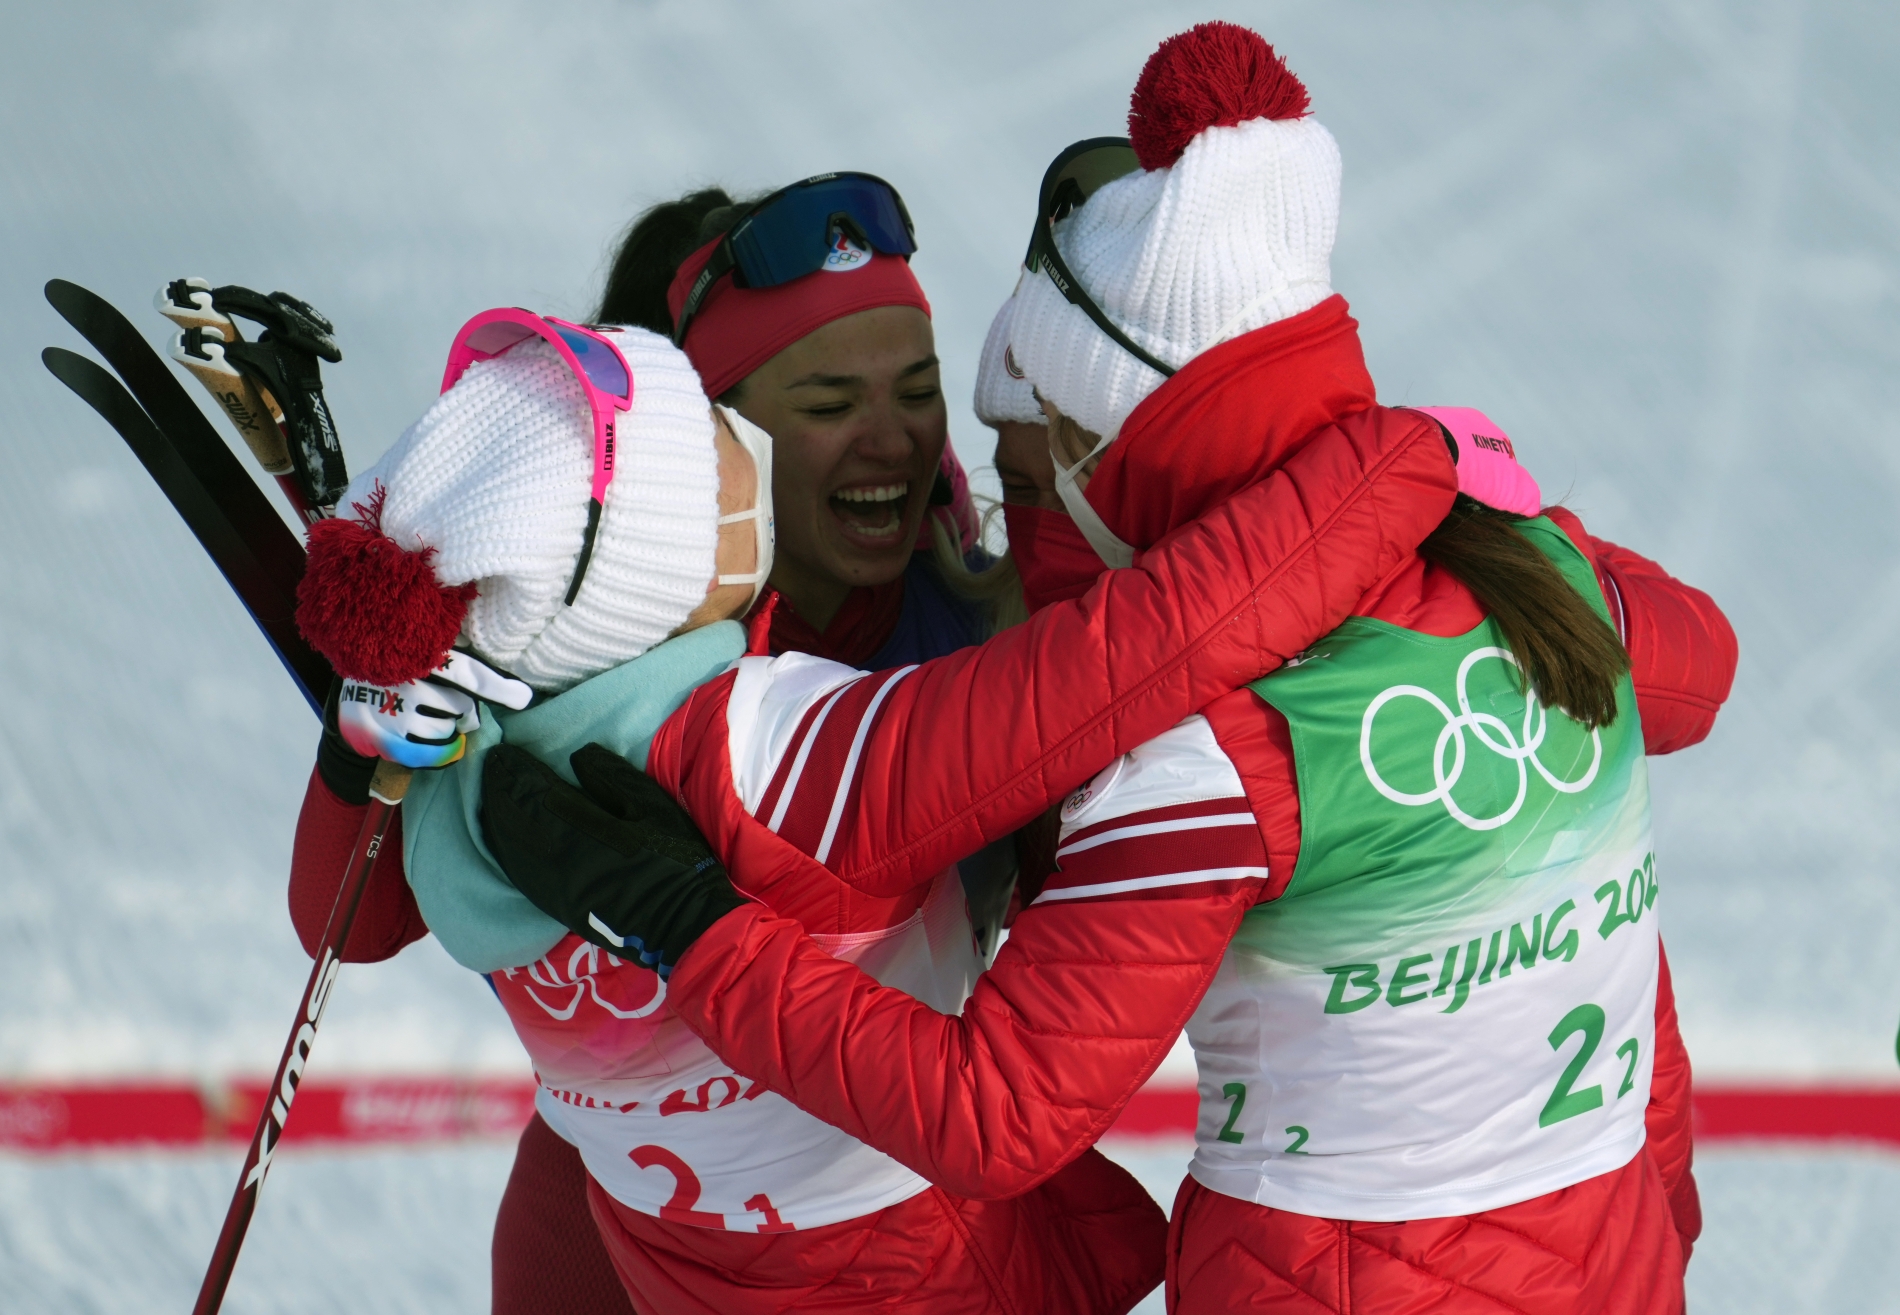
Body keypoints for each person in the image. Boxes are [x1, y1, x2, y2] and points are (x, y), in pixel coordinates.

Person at [483, 25, 1737, 1315]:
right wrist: (1430, 489)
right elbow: (1695, 672)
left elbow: (997, 1108)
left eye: (1028, 469)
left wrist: (693, 927)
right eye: (824, 405)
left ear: (1107, 448)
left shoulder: (1194, 751)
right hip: (1604, 1243)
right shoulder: (1526, 571)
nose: (909, 449)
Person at [288, 200, 1474, 1312]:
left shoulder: (960, 596)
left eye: (917, 388)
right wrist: (1399, 465)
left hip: (851, 1172)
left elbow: (1155, 606)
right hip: (686, 1205)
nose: (894, 437)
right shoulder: (752, 722)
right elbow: (348, 915)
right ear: (701, 463)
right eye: (821, 406)